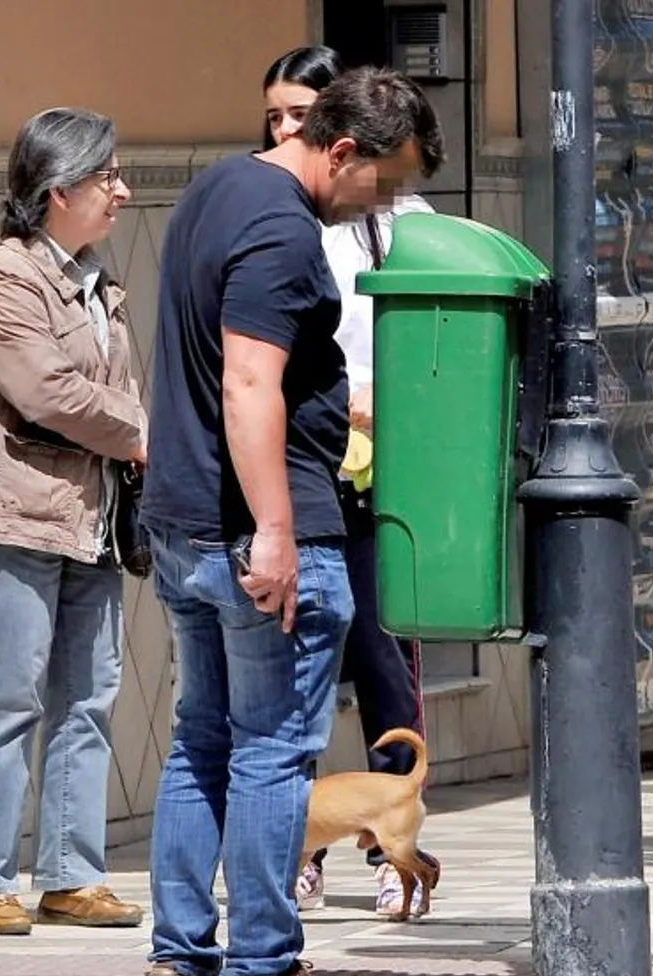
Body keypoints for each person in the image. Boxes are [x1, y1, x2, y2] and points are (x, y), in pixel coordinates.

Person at [138, 67, 442, 976]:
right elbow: (248, 384)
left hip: (186, 524)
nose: (381, 205)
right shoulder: (280, 228)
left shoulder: (215, 189)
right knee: (271, 751)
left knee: (202, 741)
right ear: (341, 150)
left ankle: (180, 960)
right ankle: (264, 967)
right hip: (263, 537)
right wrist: (273, 528)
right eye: (382, 183)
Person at [0, 107, 148, 937]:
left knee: (88, 697)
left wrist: (129, 433)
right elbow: (47, 393)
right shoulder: (5, 278)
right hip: (11, 514)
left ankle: (72, 876)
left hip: (86, 517)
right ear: (59, 189)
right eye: (107, 177)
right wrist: (140, 431)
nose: (121, 191)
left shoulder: (95, 280)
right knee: (9, 698)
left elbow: (93, 392)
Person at [261, 44, 444, 920]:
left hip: (380, 461)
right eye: (276, 117)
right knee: (298, 669)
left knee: (381, 655)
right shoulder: (273, 213)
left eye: (303, 112)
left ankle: (386, 841)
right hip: (305, 468)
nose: (291, 130)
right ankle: (301, 850)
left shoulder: (399, 214)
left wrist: (383, 402)